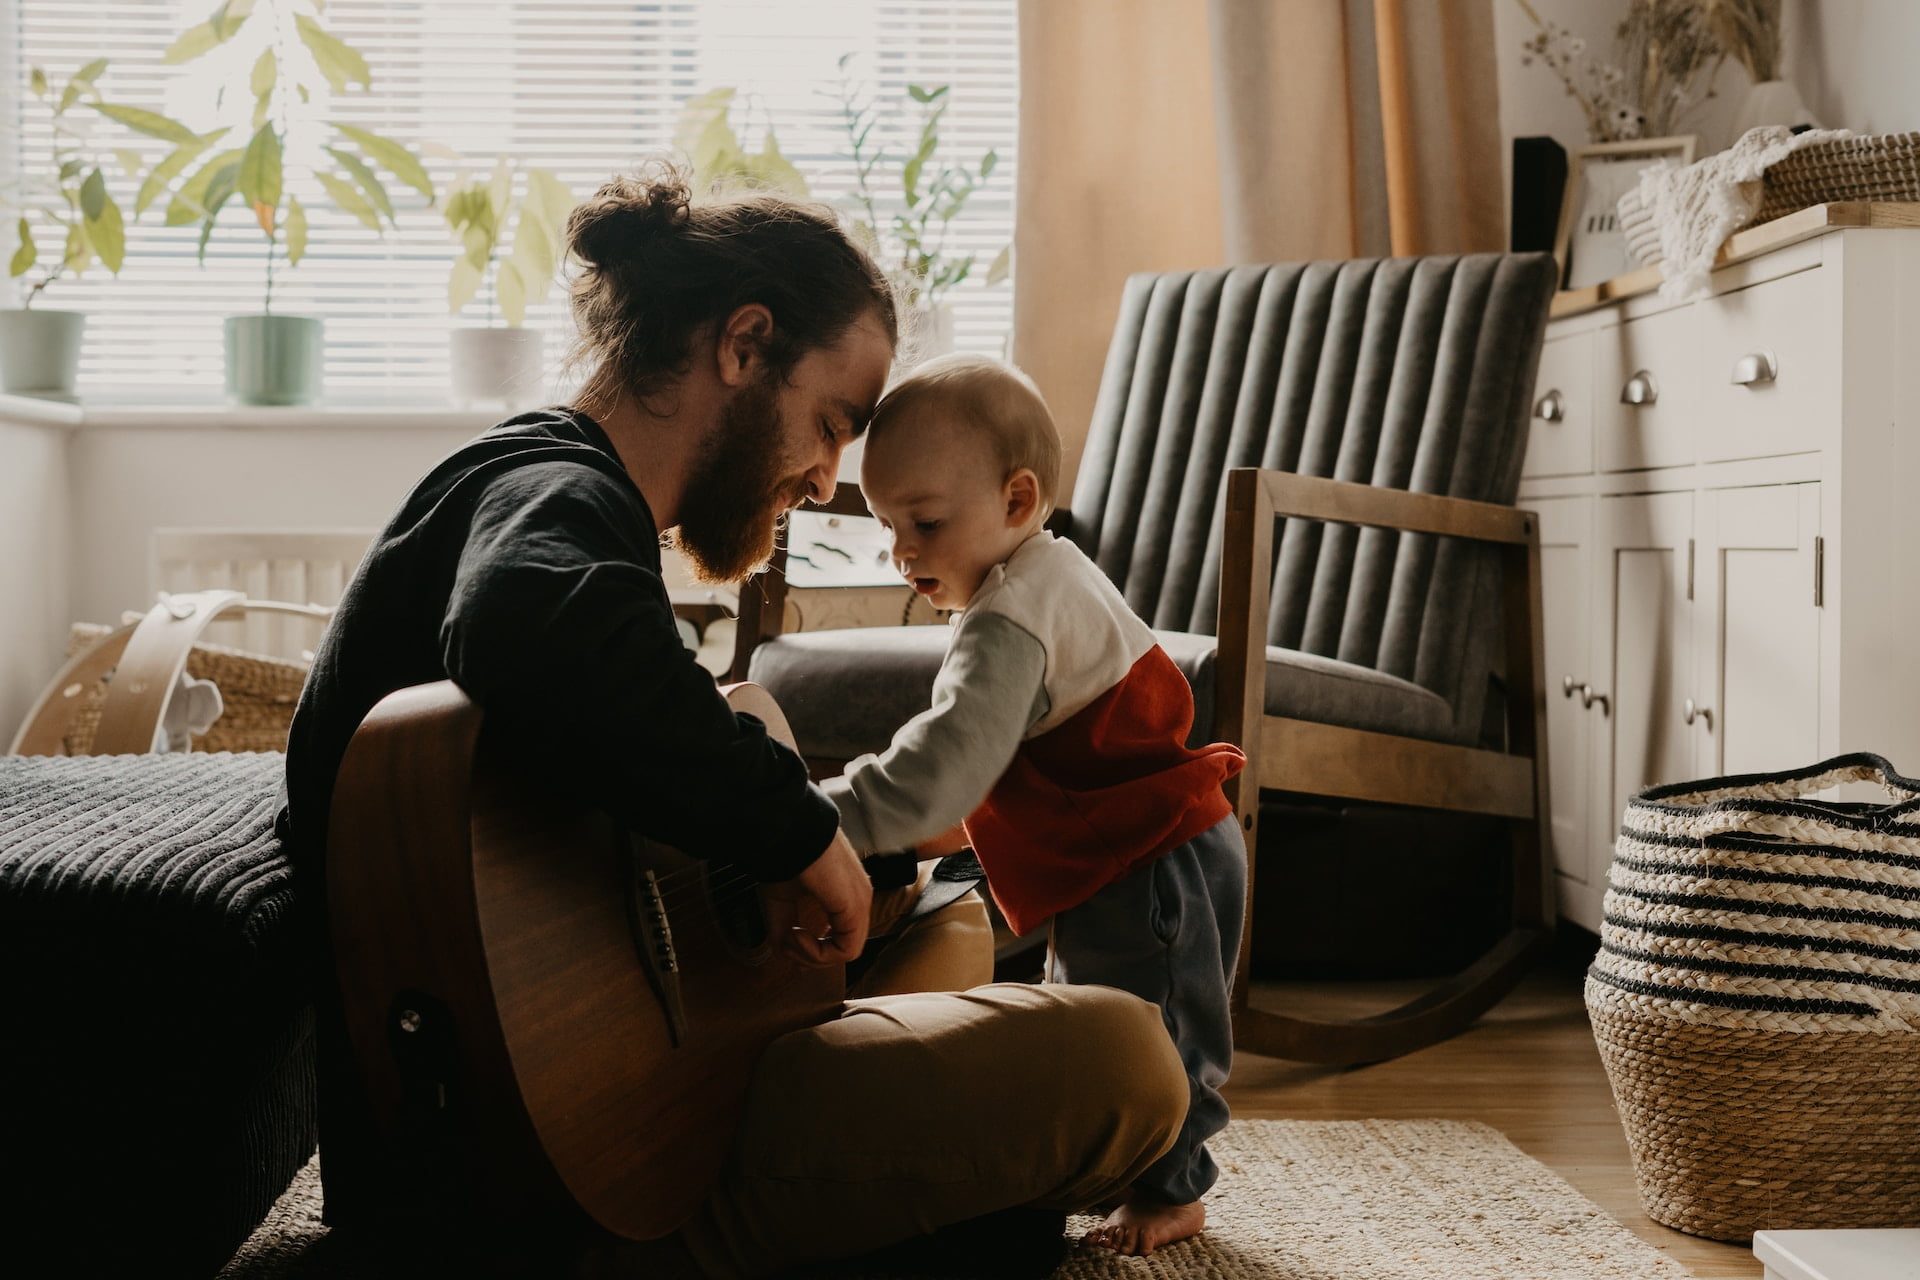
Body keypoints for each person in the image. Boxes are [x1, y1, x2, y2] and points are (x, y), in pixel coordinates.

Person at [277, 164, 1189, 1279]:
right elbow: (525, 621)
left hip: (577, 1100)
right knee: (1131, 1059)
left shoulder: (543, 491)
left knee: (939, 918)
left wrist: (800, 848)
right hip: (566, 1167)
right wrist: (796, 831)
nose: (822, 481)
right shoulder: (551, 491)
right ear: (744, 344)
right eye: (829, 423)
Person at [822, 354, 1249, 1257]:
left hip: (1149, 854)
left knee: (1155, 1020)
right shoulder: (1047, 573)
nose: (903, 552)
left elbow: (946, 767)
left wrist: (827, 814)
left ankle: (1172, 1190)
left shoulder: (1012, 618)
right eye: (886, 527)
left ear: (1018, 500)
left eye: (925, 522)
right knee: (1092, 1001)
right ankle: (1109, 1143)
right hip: (1125, 846)